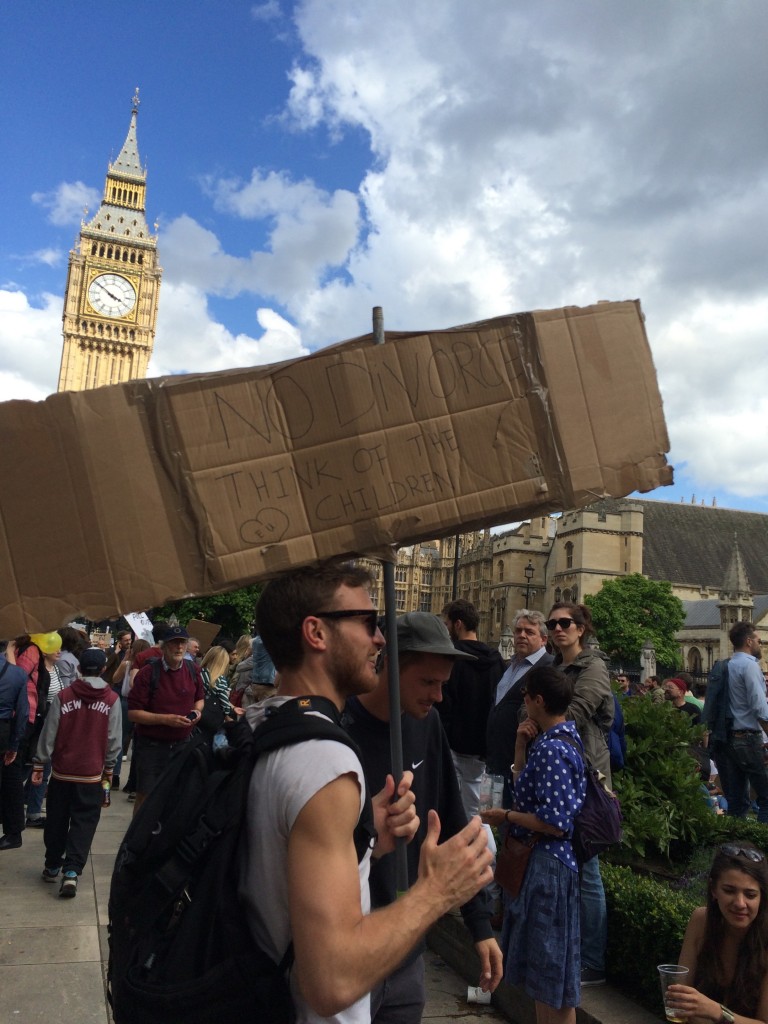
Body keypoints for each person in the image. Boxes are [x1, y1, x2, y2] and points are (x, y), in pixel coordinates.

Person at [240, 561, 494, 1024]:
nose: (379, 638)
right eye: (366, 622)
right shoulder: (325, 759)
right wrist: (436, 892)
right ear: (316, 632)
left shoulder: (268, 726)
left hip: (382, 958)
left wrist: (367, 836)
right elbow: (332, 980)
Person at [344, 611, 503, 1023]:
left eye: (443, 684)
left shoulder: (427, 724)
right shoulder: (338, 727)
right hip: (349, 944)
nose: (438, 697)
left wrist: (480, 925)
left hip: (408, 948)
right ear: (391, 667)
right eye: (427, 682)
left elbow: (451, 823)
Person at [482, 664, 586, 1024]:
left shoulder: (555, 748)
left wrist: (506, 817)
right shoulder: (550, 740)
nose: (523, 701)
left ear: (539, 700)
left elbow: (555, 823)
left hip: (547, 867)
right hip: (542, 865)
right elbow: (528, 788)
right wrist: (520, 744)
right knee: (544, 979)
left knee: (550, 977)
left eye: (526, 696)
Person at [545, 601, 613, 988]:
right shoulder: (553, 668)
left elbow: (578, 711)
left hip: (585, 772)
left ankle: (593, 961)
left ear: (581, 628)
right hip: (556, 770)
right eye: (553, 623)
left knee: (588, 870)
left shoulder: (594, 668)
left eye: (565, 623)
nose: (558, 629)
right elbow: (529, 707)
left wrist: (539, 719)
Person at [31, 647, 121, 897]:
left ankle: (52, 865)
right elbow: (114, 739)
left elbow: (50, 732)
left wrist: (40, 763)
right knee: (84, 822)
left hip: (63, 772)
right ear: (104, 669)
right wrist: (110, 769)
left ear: (79, 668)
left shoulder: (64, 696)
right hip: (91, 774)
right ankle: (71, 872)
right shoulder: (111, 700)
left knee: (57, 819)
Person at [666, 843, 768, 1023]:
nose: (740, 903)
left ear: (762, 897)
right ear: (714, 889)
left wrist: (716, 1011)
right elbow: (681, 999)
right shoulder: (701, 921)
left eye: (750, 895)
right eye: (729, 891)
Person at [439, 599, 505, 819]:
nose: (447, 630)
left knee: (457, 813)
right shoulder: (497, 661)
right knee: (482, 812)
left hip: (456, 747)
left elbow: (444, 703)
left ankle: (485, 851)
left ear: (458, 625)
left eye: (447, 625)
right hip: (486, 749)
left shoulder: (451, 657)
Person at [127, 625, 204, 814]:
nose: (179, 648)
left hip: (182, 744)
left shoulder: (193, 670)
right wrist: (165, 719)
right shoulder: (148, 673)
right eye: (174, 644)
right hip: (152, 746)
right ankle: (138, 839)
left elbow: (199, 700)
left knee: (176, 795)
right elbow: (133, 713)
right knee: (145, 795)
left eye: (182, 643)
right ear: (163, 647)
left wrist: (196, 712)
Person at [486, 610, 554, 804]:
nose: (521, 635)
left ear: (543, 639)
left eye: (529, 632)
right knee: (493, 818)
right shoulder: (510, 665)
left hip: (522, 761)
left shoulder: (547, 667)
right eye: (518, 631)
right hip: (497, 760)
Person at [716, 622, 768, 822]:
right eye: (758, 640)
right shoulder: (750, 665)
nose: (760, 644)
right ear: (748, 641)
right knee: (765, 797)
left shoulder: (727, 664)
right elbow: (760, 708)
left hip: (728, 738)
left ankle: (736, 846)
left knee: (737, 801)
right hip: (747, 738)